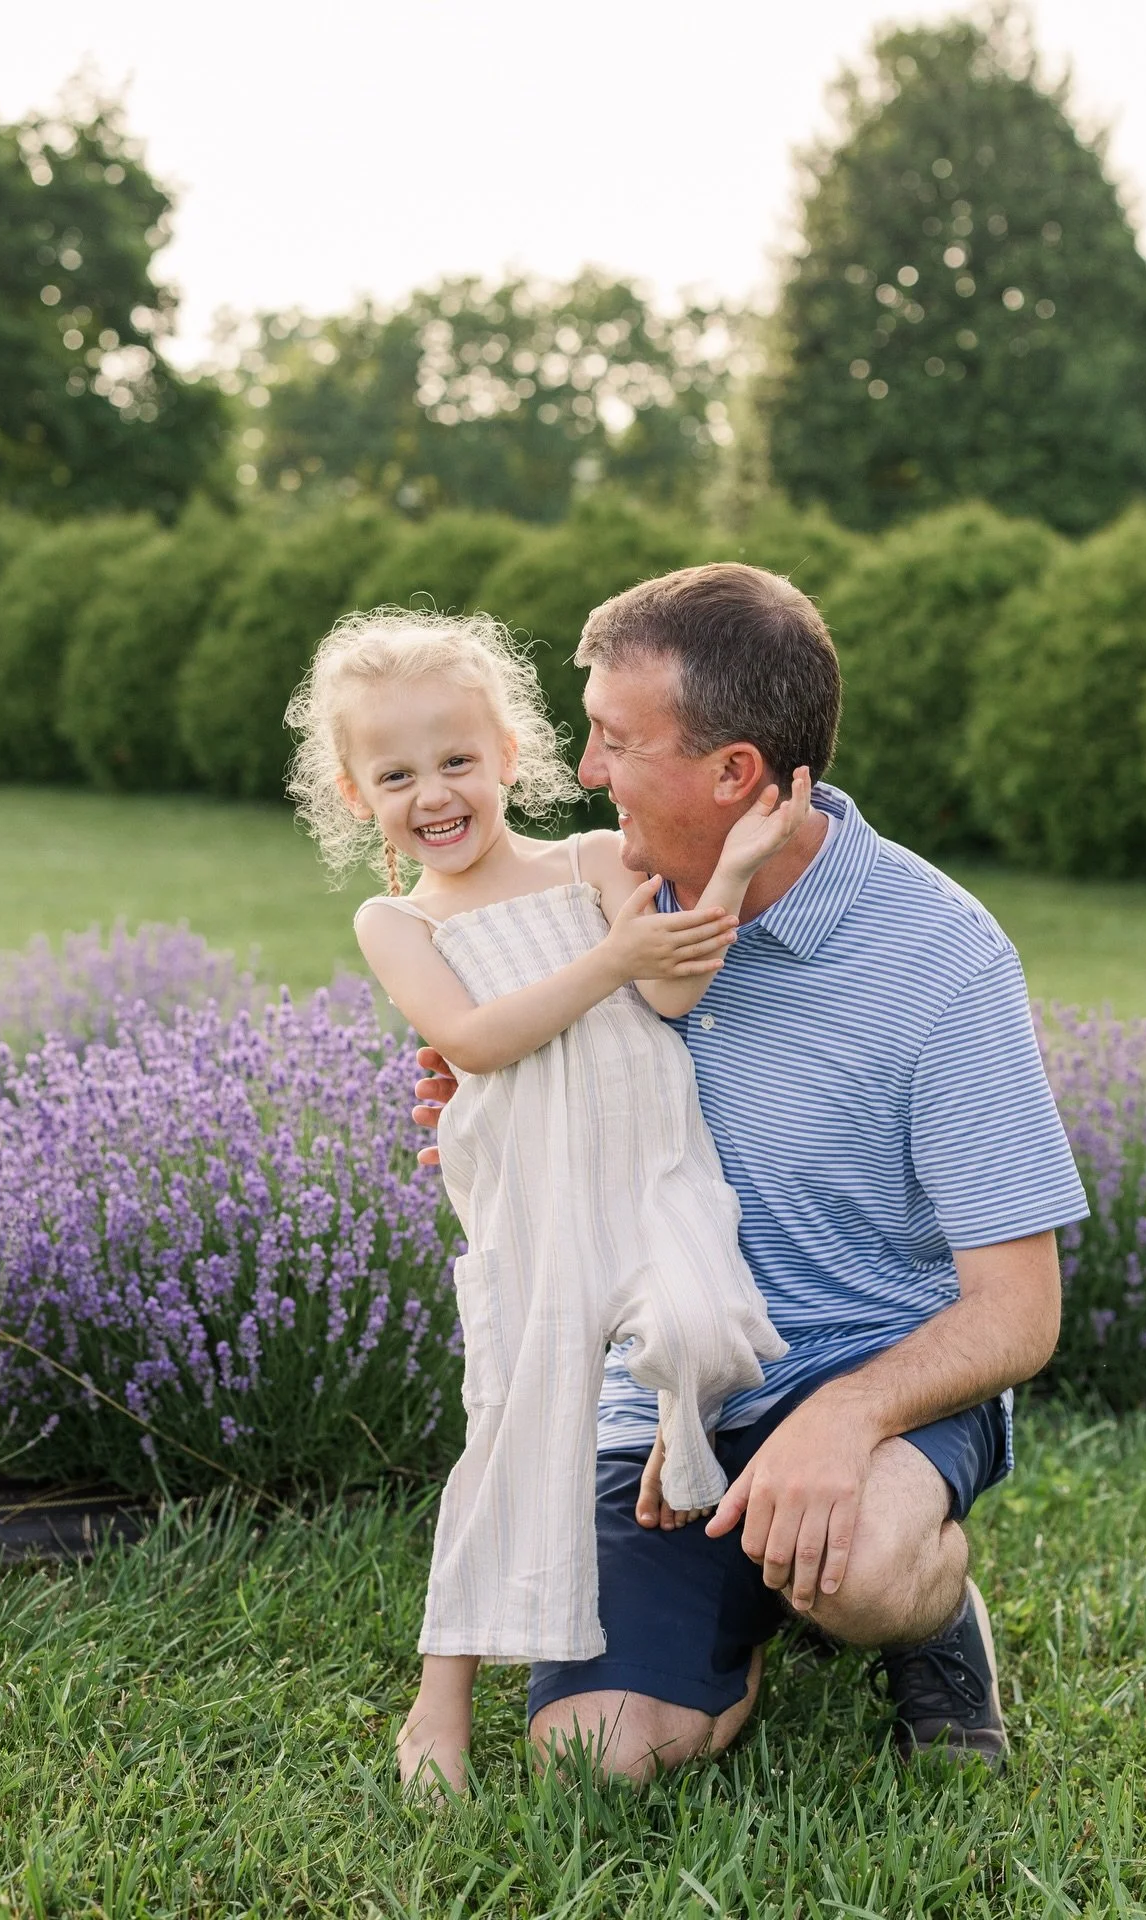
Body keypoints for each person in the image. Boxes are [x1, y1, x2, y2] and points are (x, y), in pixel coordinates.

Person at [412, 562, 1089, 1779]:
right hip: (664, 1403)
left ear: (735, 775)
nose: (584, 773)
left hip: (873, 1384)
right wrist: (494, 1115)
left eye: (617, 741)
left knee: (868, 1562)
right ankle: (755, 1595)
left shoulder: (939, 954)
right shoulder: (587, 918)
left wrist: (844, 1419)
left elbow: (1020, 1309)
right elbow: (512, 1096)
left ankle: (923, 1618)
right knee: (594, 1759)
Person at [284, 607, 804, 1794]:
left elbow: (669, 1004)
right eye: (397, 773)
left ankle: (683, 1448)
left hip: (652, 1170)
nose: (435, 792)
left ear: (510, 755)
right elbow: (474, 1035)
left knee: (705, 1328)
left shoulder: (594, 866)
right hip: (527, 1204)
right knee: (515, 1435)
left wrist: (716, 875)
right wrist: (613, 960)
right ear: (357, 796)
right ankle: (440, 1703)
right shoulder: (400, 921)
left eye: (458, 759)